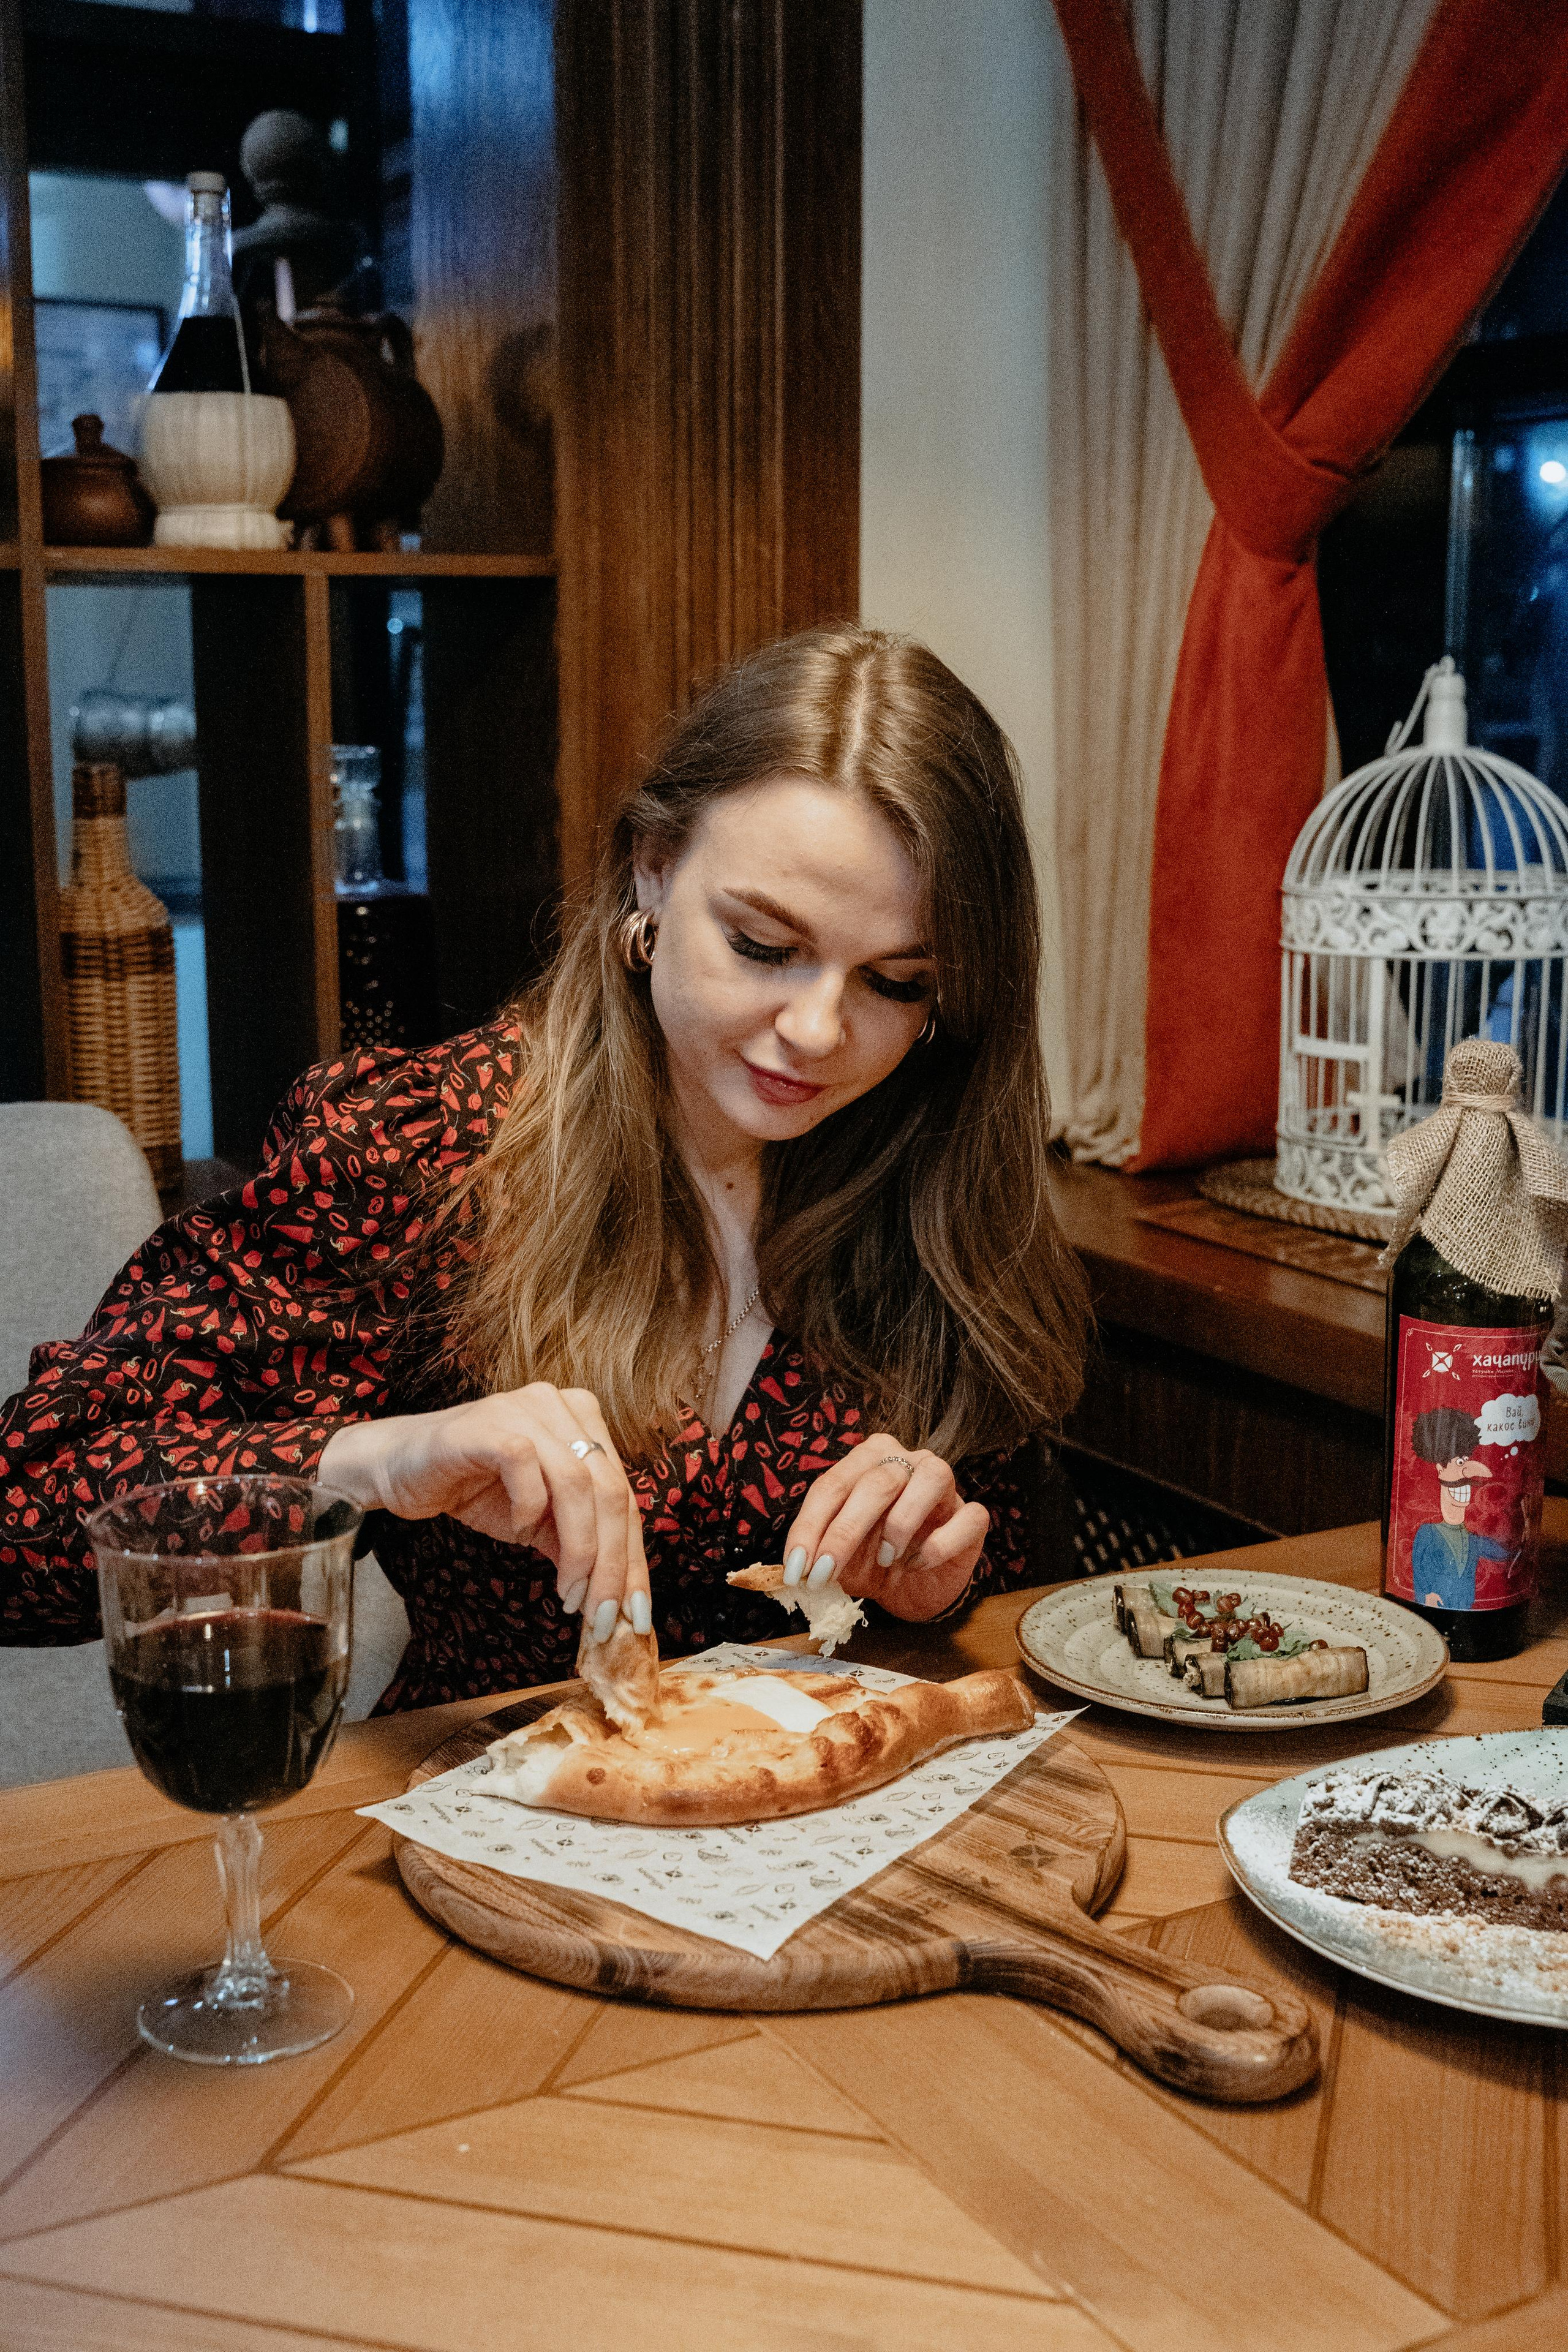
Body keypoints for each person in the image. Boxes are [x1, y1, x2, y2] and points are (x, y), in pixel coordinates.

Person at [1, 625, 1089, 1708]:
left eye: (896, 983)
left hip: (836, 1816)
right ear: (652, 873)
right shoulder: (427, 1150)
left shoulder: (933, 1167)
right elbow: (26, 1521)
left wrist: (929, 1591)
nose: (815, 1030)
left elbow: (1016, 1614)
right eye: (763, 946)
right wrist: (377, 1460)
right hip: (499, 1825)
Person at [1406, 1404, 1512, 1610]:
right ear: (1440, 1469)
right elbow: (1417, 1568)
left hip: (1469, 1609)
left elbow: (1507, 1554)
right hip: (1428, 1613)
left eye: (1466, 1461)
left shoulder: (1474, 1541)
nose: (1467, 1471)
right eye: (1459, 1462)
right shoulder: (1427, 1533)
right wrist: (1426, 1593)